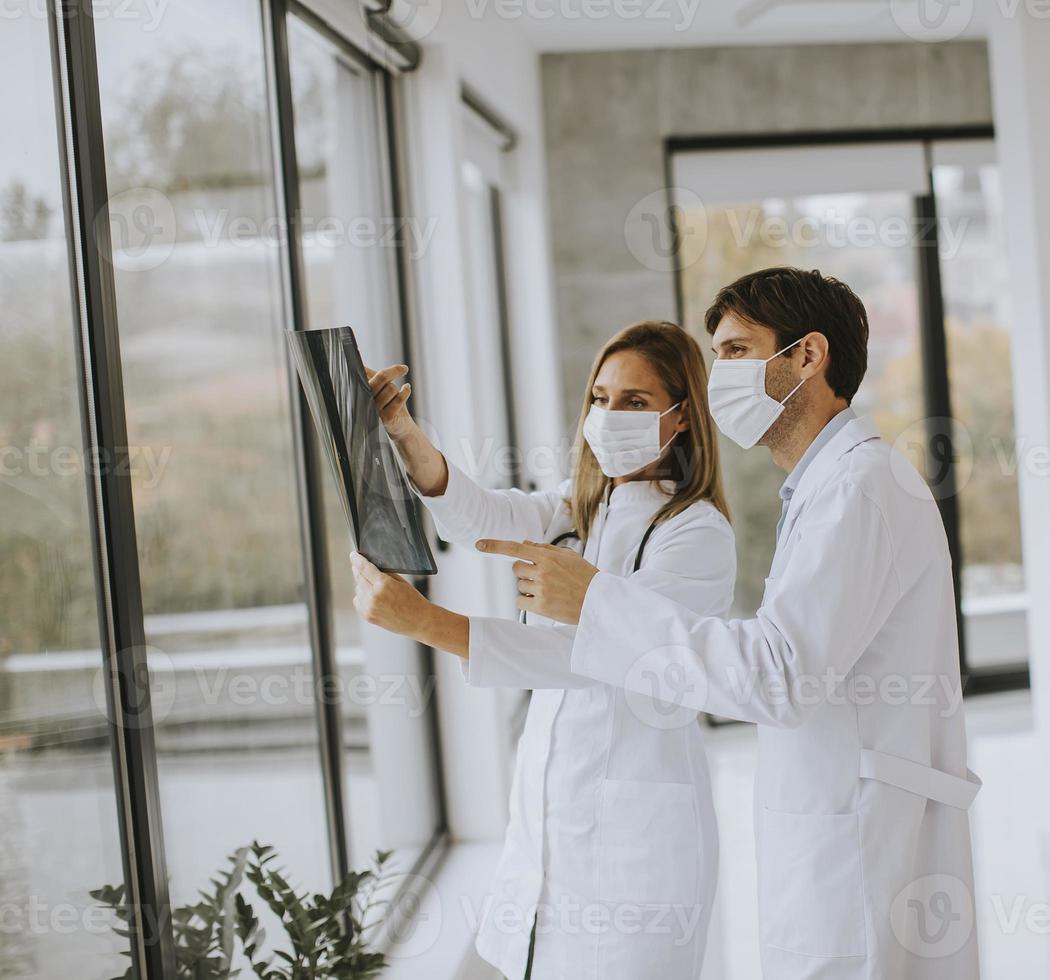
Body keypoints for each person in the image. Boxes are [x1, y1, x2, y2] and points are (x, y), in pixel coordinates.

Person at [482, 267, 982, 980]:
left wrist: (595, 601)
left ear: (808, 357)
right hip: (835, 821)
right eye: (718, 356)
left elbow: (779, 675)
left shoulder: (857, 492)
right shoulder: (824, 488)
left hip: (860, 840)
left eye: (739, 352)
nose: (720, 376)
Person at [348, 320, 735, 980]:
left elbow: (589, 653)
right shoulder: (582, 508)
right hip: (546, 830)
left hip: (634, 857)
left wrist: (425, 623)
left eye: (635, 402)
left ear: (680, 419)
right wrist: (405, 435)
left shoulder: (695, 535)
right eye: (600, 398)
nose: (609, 416)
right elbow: (483, 517)